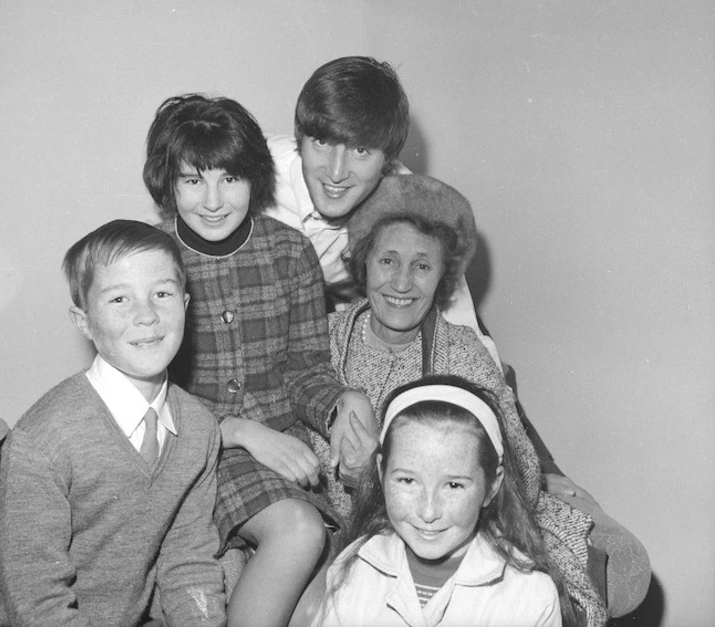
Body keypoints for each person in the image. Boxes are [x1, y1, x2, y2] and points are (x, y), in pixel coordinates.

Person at [314, 172, 649, 623]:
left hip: (451, 521)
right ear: (363, 265)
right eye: (388, 261)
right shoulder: (322, 341)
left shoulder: (461, 351)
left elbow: (520, 469)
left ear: (442, 277)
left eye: (422, 266)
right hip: (341, 527)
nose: (402, 283)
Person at [142, 93, 377, 627]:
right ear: (167, 184)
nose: (212, 200)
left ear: (254, 177)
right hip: (195, 453)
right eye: (192, 180)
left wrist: (342, 404)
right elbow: (143, 400)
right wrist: (240, 431)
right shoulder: (149, 261)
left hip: (287, 447)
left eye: (230, 178)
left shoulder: (289, 250)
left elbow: (306, 368)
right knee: (299, 528)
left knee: (337, 585)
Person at [0, 219, 226, 627]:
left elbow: (188, 561)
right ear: (84, 322)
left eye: (162, 293)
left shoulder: (200, 429)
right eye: (119, 299)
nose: (147, 315)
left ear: (186, 306)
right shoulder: (44, 439)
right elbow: (37, 601)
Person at [265, 55, 502, 367]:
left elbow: (459, 323)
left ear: (388, 160)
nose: (336, 173)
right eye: (322, 142)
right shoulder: (250, 173)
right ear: (300, 140)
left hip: (352, 322)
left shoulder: (413, 205)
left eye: (360, 151)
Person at [313, 376, 567, 627]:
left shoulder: (530, 597)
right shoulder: (353, 569)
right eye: (407, 481)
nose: (428, 511)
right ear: (381, 474)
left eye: (453, 485)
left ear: (492, 486)